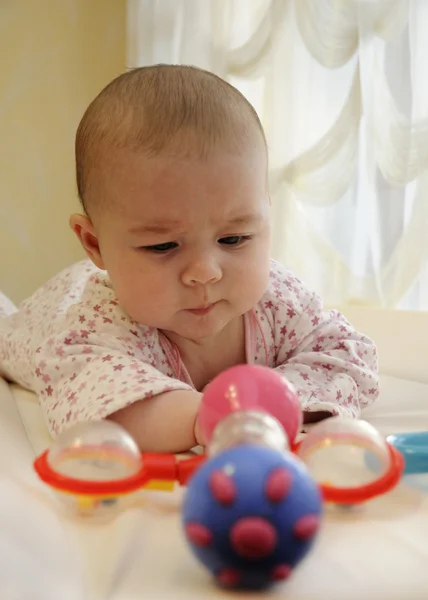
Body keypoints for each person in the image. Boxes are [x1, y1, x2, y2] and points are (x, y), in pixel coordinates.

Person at [0, 65, 379, 453]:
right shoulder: (93, 329)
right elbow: (99, 412)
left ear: (266, 215)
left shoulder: (279, 302)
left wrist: (273, 399)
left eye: (234, 238)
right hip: (53, 309)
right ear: (95, 244)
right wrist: (211, 415)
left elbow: (350, 358)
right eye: (163, 246)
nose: (204, 272)